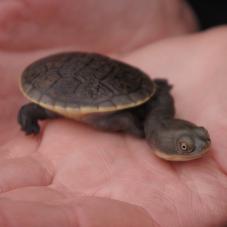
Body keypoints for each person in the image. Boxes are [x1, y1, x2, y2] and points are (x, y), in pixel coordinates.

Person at [0, 1, 226, 226]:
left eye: (197, 137)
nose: (201, 145)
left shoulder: (154, 105)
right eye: (185, 146)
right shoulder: (137, 116)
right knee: (38, 110)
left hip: (102, 77)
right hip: (64, 79)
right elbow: (125, 118)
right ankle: (28, 117)